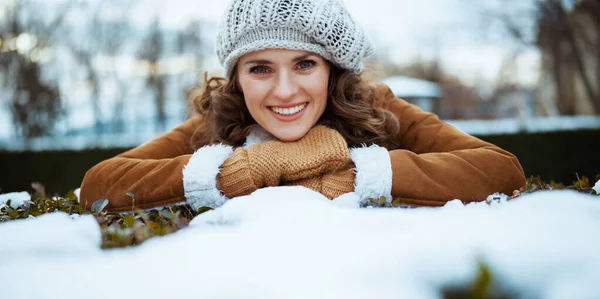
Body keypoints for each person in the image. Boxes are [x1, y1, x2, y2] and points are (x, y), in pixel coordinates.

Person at [79, 0, 526, 213]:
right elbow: (100, 184)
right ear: (237, 77)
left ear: (333, 70)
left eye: (304, 64)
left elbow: (499, 169)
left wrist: (356, 175)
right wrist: (235, 173)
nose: (285, 90)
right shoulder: (214, 123)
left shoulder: (380, 107)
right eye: (260, 69)